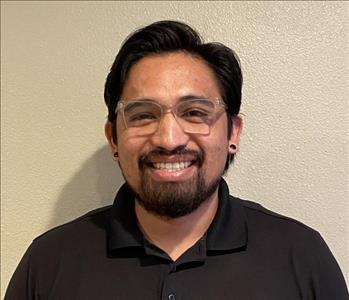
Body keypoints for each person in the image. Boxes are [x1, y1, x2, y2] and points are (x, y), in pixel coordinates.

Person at [5, 20, 348, 300]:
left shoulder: (302, 259)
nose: (169, 139)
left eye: (195, 112)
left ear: (233, 133)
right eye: (142, 115)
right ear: (113, 138)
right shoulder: (49, 264)